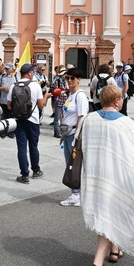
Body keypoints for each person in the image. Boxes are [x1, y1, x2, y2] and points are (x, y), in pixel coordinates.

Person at [81, 85, 134, 266]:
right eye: (120, 98)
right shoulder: (125, 123)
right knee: (109, 215)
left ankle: (114, 251)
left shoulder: (89, 119)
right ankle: (96, 264)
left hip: (96, 177)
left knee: (106, 213)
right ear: (116, 101)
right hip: (118, 178)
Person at [7, 63, 51, 183]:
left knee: (21, 148)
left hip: (19, 120)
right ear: (30, 73)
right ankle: (36, 170)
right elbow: (41, 105)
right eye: (33, 72)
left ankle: (24, 175)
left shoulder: (14, 85)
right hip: (33, 120)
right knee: (33, 146)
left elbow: (9, 105)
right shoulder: (35, 86)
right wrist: (46, 96)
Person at [59, 67, 89, 207]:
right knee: (70, 163)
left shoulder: (80, 95)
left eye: (73, 78)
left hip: (74, 135)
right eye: (67, 78)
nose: (70, 80)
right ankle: (76, 192)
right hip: (67, 134)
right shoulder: (70, 95)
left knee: (73, 165)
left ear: (78, 79)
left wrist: (76, 136)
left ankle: (76, 194)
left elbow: (81, 117)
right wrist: (63, 135)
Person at [51, 66, 68, 137]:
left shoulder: (66, 81)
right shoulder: (57, 81)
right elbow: (55, 92)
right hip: (59, 100)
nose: (66, 76)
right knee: (57, 117)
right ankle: (56, 132)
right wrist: (64, 91)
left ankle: (63, 131)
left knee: (64, 117)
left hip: (66, 101)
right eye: (64, 74)